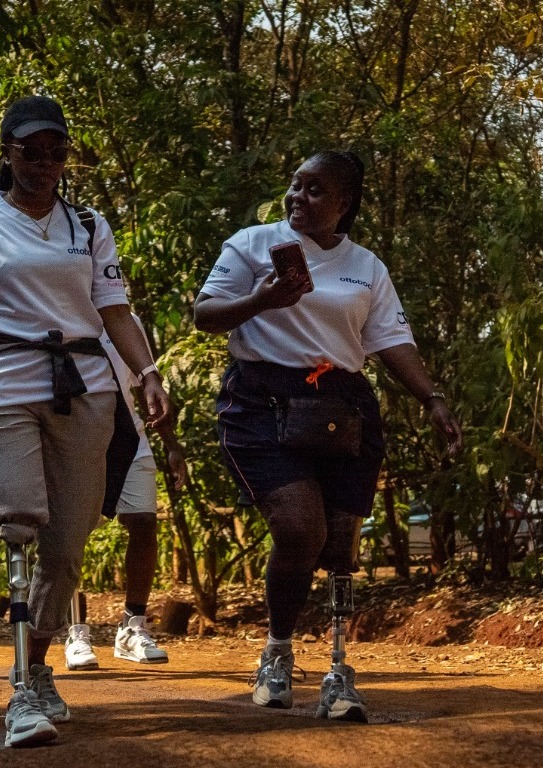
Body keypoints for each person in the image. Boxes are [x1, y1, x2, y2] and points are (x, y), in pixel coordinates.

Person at [0, 95, 170, 747]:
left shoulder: (89, 226)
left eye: (56, 152)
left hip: (86, 389)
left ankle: (38, 666)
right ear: (6, 154)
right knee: (17, 523)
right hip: (1, 384)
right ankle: (21, 692)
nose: (45, 164)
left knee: (67, 549)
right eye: (31, 151)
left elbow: (116, 311)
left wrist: (148, 374)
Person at [194, 150, 462, 722]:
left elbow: (390, 340)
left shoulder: (366, 265)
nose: (298, 198)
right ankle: (278, 652)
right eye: (295, 185)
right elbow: (206, 313)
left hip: (341, 407)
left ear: (344, 203)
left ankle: (339, 673)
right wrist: (262, 298)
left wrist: (431, 398)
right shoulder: (251, 244)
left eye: (316, 190)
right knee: (298, 527)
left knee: (339, 545)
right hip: (261, 401)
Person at [64, 315, 187, 670]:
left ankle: (132, 627)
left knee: (144, 522)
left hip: (127, 433)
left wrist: (172, 445)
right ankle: (76, 633)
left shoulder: (126, 320)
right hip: (72, 434)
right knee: (72, 532)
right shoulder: (54, 309)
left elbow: (145, 386)